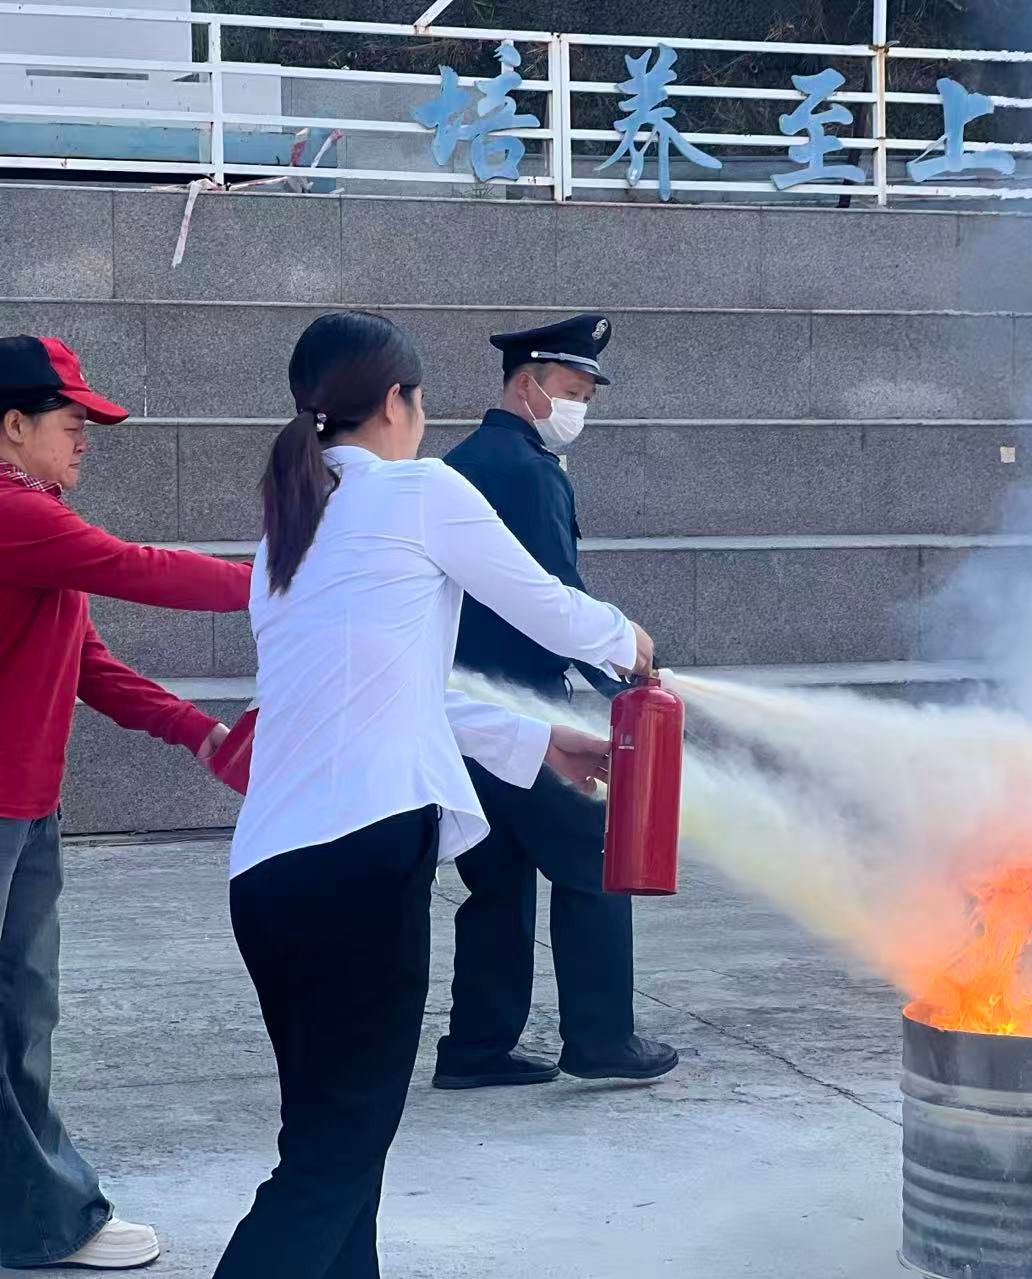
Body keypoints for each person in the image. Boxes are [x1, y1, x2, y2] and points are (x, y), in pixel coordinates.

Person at [214, 311, 654, 1279]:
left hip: (272, 876)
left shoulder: (294, 527)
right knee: (330, 1160)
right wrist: (627, 640)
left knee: (338, 1143)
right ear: (397, 402)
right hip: (360, 866)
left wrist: (536, 740)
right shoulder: (418, 490)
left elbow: (399, 686)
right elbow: (547, 606)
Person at [0, 335, 251, 1272]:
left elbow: (91, 666)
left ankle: (34, 1219)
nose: (85, 440)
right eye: (72, 422)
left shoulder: (37, 524)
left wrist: (200, 733)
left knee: (22, 1015)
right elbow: (141, 567)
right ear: (13, 425)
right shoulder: (13, 513)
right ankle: (49, 1217)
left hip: (25, 810)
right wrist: (296, 578)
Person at [431, 315, 677, 1092]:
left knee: (498, 882)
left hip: (462, 713)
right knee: (596, 859)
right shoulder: (531, 473)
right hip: (523, 711)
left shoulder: (459, 464)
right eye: (571, 391)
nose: (578, 409)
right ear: (527, 385)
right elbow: (551, 598)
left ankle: (476, 1047)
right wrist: (629, 675)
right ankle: (601, 1038)